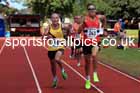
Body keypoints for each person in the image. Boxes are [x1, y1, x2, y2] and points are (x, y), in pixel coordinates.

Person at [43, 13, 70, 88]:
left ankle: (62, 70)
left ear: (59, 19)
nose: (55, 19)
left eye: (56, 18)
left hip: (60, 46)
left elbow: (68, 31)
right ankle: (55, 79)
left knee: (57, 59)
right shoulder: (48, 27)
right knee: (52, 65)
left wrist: (66, 39)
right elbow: (44, 36)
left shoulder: (63, 26)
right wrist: (47, 36)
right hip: (51, 47)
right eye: (53, 18)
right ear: (51, 19)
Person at [78, 3, 102, 89]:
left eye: (93, 9)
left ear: (95, 10)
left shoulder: (98, 19)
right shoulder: (85, 19)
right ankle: (88, 79)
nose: (91, 10)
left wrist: (103, 30)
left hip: (95, 41)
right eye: (90, 9)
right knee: (87, 62)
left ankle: (95, 73)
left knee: (94, 55)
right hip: (86, 42)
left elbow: (102, 28)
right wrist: (82, 24)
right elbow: (79, 31)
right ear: (88, 11)